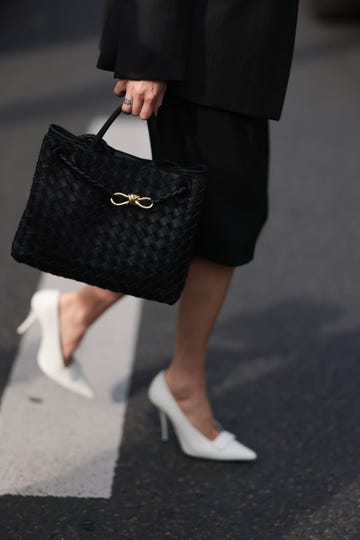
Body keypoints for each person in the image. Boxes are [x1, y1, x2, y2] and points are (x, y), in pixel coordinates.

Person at [18, 0, 299, 461]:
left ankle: (80, 315)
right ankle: (181, 385)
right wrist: (148, 55)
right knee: (220, 226)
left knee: (217, 222)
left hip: (236, 49)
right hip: (203, 47)